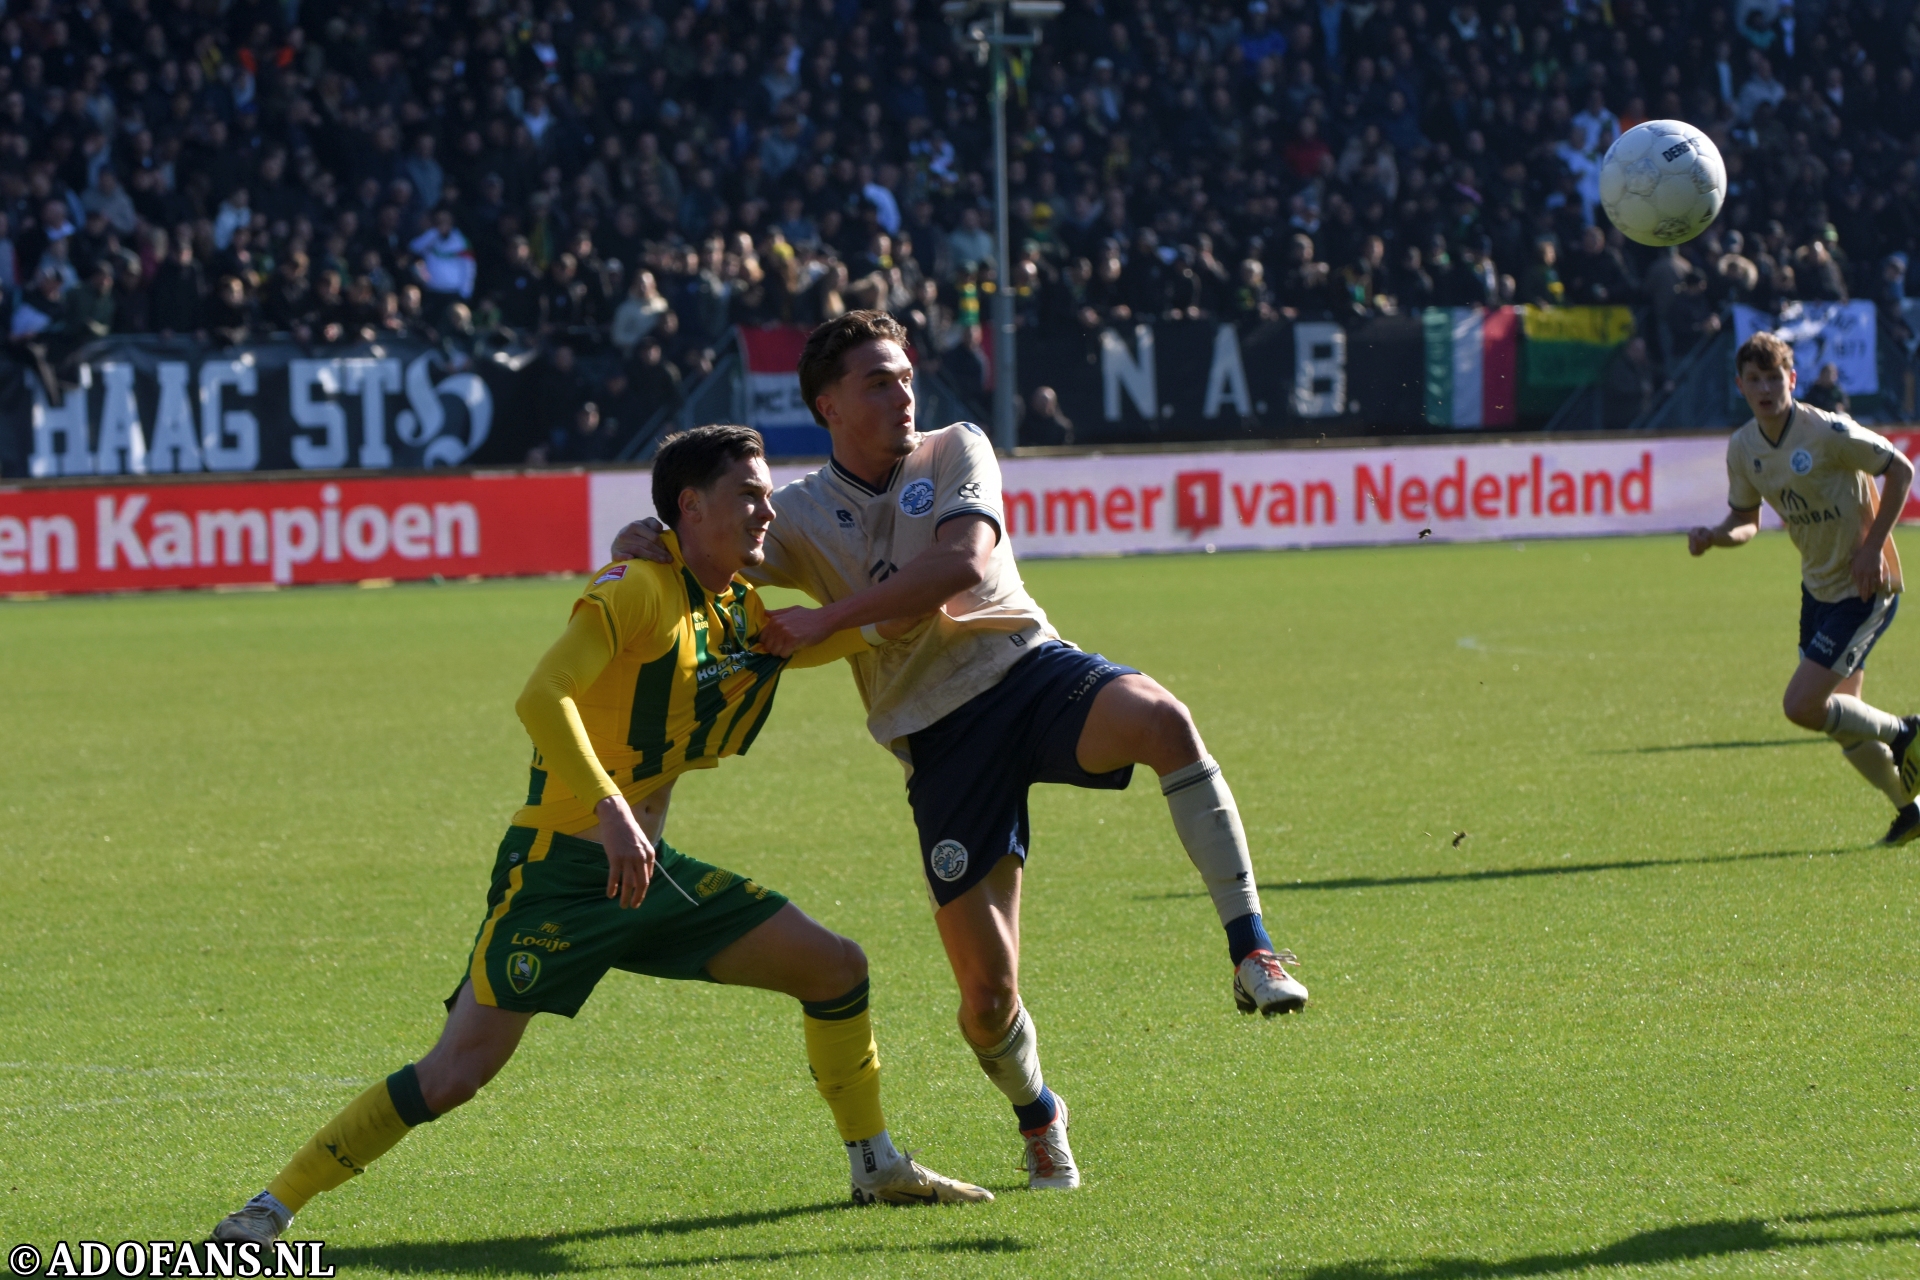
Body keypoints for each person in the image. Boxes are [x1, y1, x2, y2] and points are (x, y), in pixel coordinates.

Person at [210, 425, 991, 1246]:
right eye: (748, 495)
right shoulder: (635, 588)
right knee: (457, 1073)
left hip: (647, 873)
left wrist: (905, 612)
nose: (768, 511)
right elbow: (543, 697)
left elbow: (811, 640)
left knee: (835, 969)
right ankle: (267, 1211)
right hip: (561, 868)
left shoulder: (734, 606)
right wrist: (613, 812)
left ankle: (876, 1166)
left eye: (767, 493)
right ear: (690, 507)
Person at [612, 312, 1309, 1194]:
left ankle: (1253, 952)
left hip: (1023, 672)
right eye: (878, 380)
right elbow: (708, 551)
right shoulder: (794, 516)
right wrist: (642, 544)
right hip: (938, 743)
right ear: (828, 403)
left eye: (905, 375)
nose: (904, 392)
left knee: (1161, 718)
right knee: (986, 1001)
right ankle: (1040, 1116)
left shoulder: (954, 450)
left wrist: (825, 618)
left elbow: (965, 565)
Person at [1688, 332, 1920, 844]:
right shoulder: (1744, 447)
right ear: (1741, 387)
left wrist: (1871, 546)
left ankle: (1907, 732)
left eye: (1775, 377)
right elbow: (1745, 520)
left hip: (1865, 585)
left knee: (1800, 706)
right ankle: (1912, 809)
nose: (1766, 387)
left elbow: (1901, 470)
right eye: (1755, 379)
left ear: (1792, 380)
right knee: (1842, 722)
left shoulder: (1828, 431)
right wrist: (1716, 536)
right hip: (1816, 590)